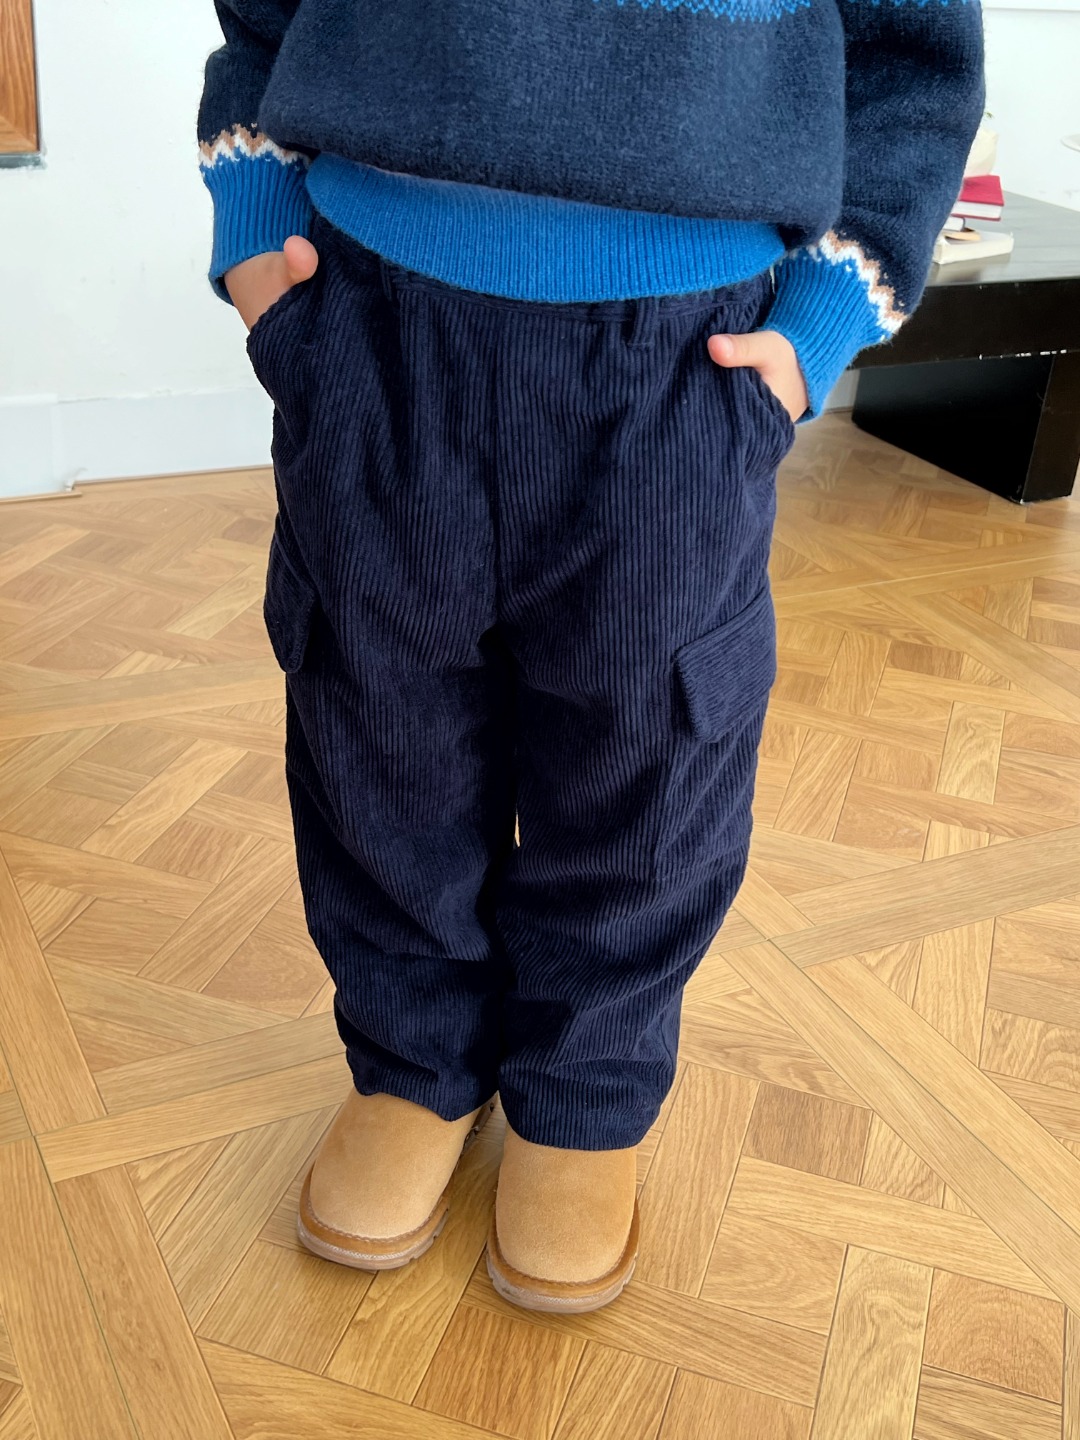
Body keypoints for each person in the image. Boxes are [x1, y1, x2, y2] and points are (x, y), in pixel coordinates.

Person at [197, 0, 984, 1314]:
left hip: (685, 353)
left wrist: (826, 313)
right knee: (375, 726)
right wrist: (251, 217)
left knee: (650, 758)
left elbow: (913, 56)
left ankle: (585, 1095)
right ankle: (411, 1066)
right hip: (370, 319)